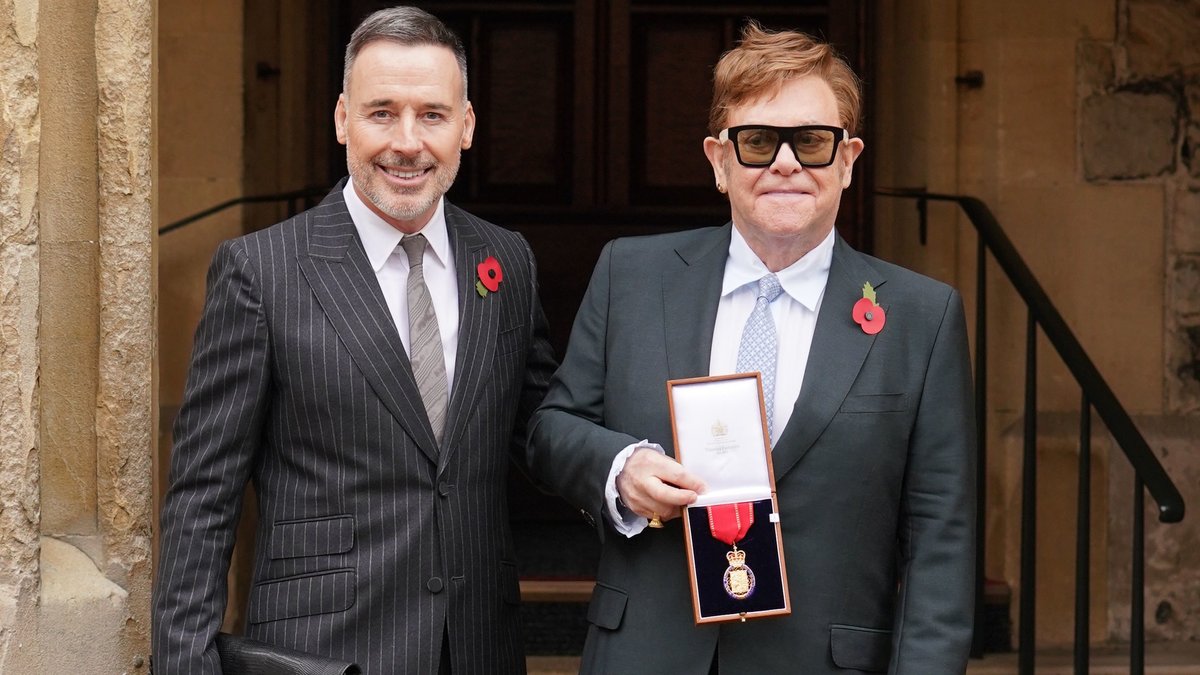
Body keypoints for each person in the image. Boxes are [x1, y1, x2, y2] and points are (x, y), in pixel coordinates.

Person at [527, 22, 975, 674]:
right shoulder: (631, 275)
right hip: (645, 655)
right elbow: (550, 431)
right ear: (718, 159)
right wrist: (619, 468)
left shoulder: (920, 317)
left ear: (848, 161)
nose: (786, 163)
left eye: (813, 143)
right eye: (759, 141)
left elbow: (942, 537)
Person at [153, 7, 556, 674]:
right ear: (342, 119)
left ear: (467, 126)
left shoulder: (506, 262)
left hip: (480, 648)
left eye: (432, 114)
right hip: (324, 654)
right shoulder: (261, 272)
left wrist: (625, 464)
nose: (407, 141)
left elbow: (542, 430)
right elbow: (203, 499)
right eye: (381, 113)